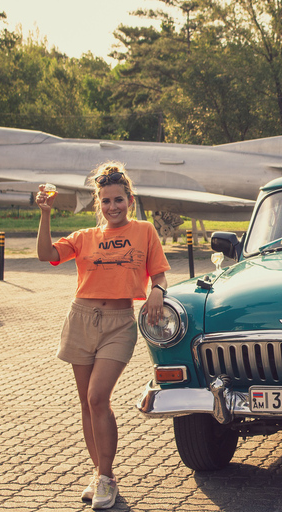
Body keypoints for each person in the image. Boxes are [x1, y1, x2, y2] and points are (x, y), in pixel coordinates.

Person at [36, 162, 170, 510]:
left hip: (119, 323)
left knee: (98, 397)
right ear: (99, 204)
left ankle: (106, 477)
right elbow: (46, 255)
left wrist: (157, 290)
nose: (113, 207)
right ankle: (99, 474)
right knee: (87, 404)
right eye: (106, 201)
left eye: (118, 200)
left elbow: (159, 274)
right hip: (81, 319)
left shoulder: (144, 231)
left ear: (130, 199)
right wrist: (46, 213)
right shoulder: (84, 237)